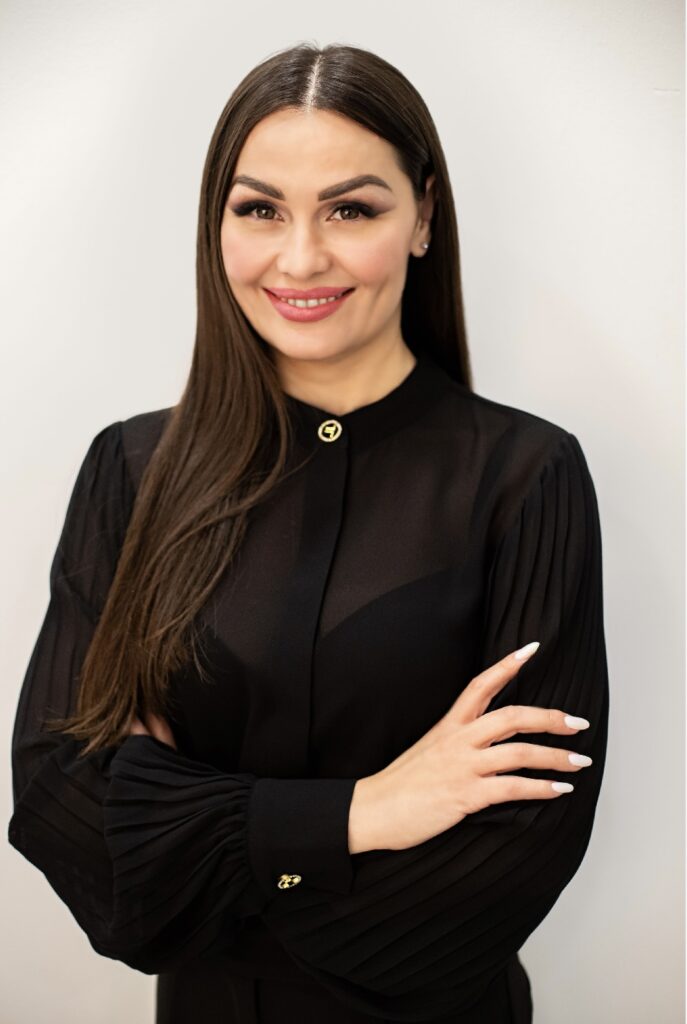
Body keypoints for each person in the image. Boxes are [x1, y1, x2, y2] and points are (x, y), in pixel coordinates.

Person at [7, 41, 609, 1024]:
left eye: (350, 210)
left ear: (423, 216)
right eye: (260, 210)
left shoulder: (526, 477)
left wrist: (185, 840)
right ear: (217, 223)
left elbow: (515, 857)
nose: (299, 258)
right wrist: (365, 813)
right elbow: (60, 805)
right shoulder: (131, 470)